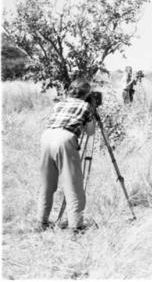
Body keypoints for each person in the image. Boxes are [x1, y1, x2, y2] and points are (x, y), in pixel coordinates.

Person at [37, 78, 96, 233]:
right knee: (73, 184)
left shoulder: (60, 103)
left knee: (47, 183)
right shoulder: (86, 106)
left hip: (46, 136)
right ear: (87, 94)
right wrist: (93, 110)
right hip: (65, 138)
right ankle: (75, 226)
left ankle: (41, 222)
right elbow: (90, 132)